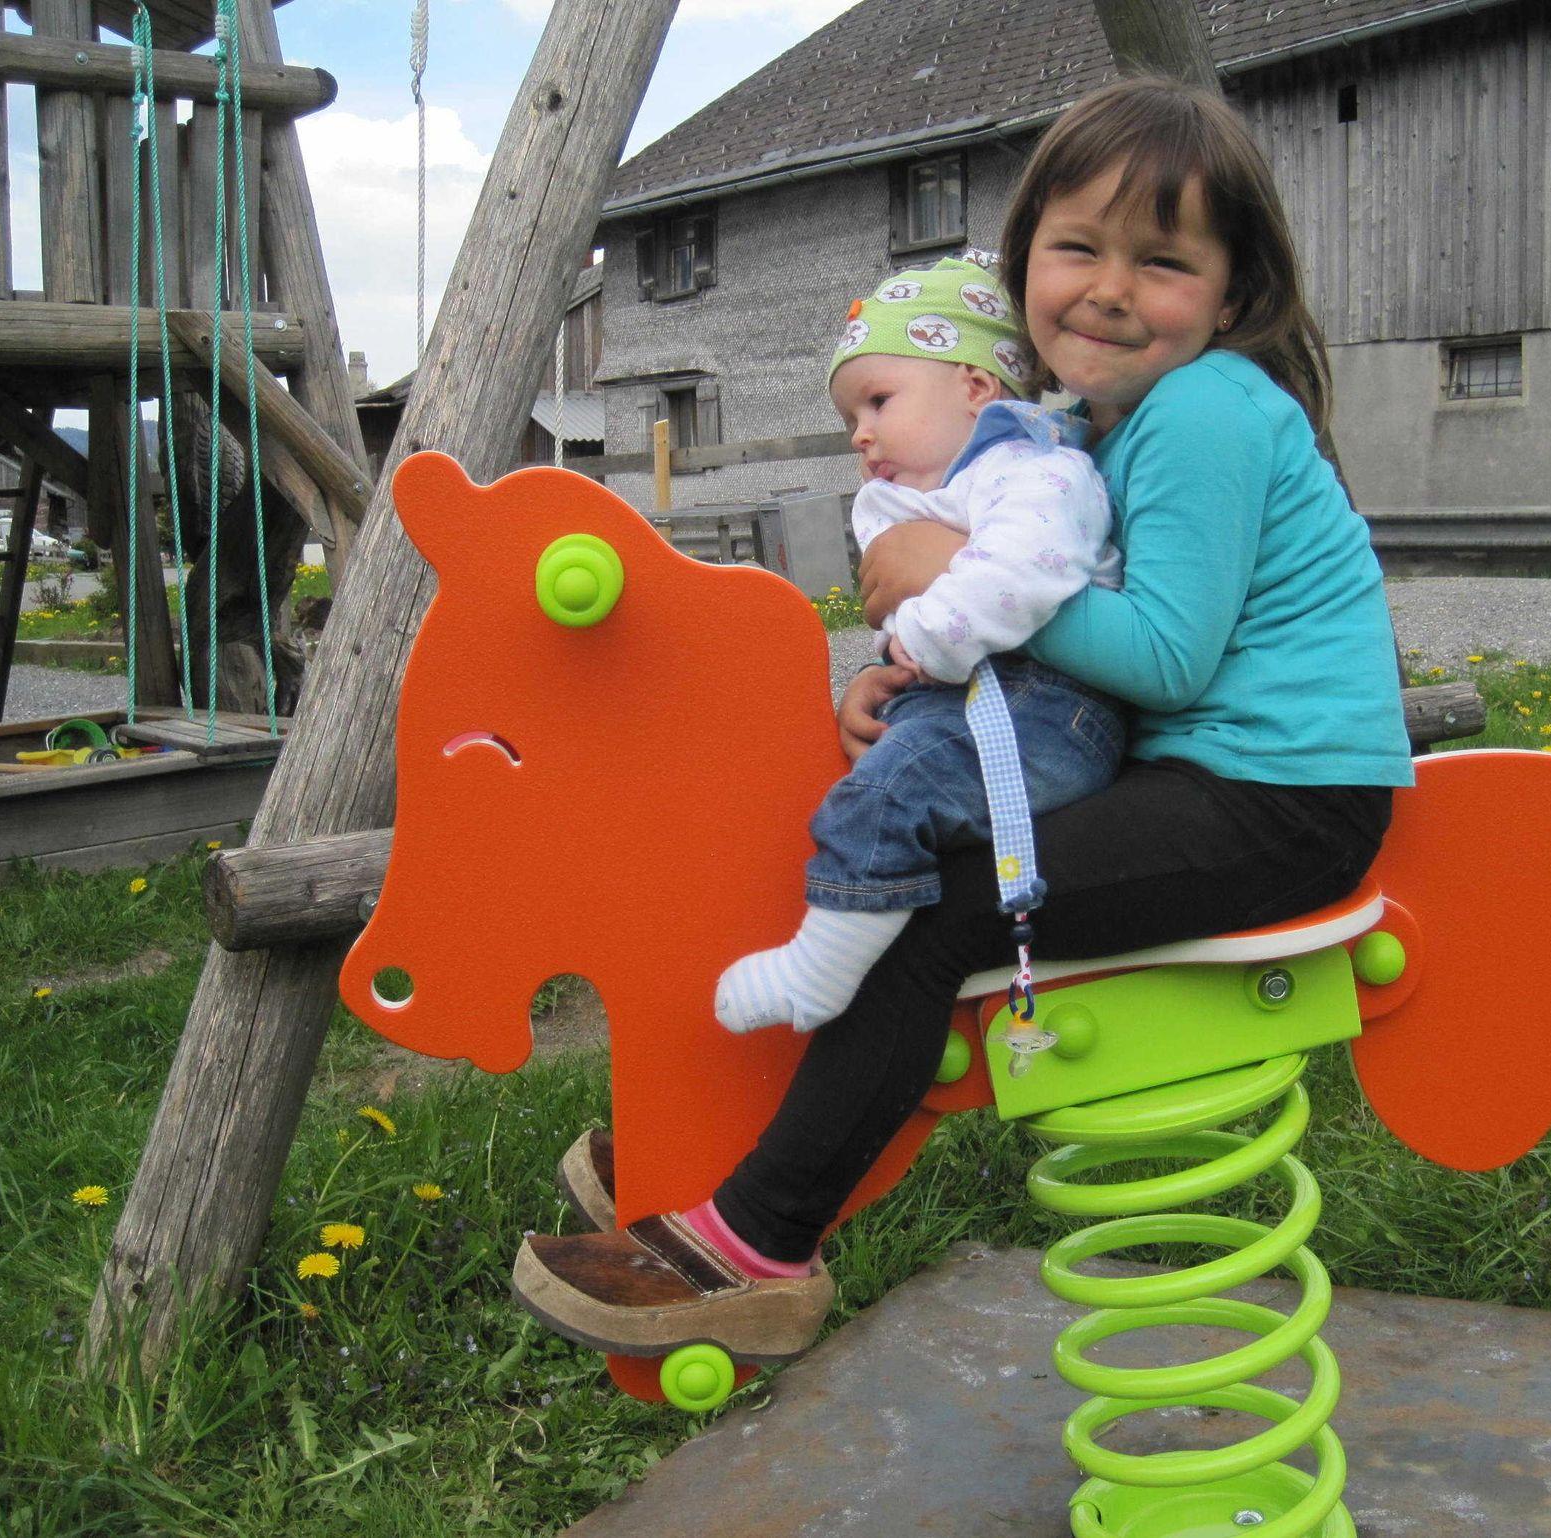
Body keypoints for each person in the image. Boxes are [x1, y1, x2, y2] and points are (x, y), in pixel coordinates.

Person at [512, 77, 1415, 1368]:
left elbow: (1163, 658)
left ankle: (756, 1245)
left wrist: (959, 577)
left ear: (1230, 296)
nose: (1110, 289)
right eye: (1078, 247)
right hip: (1203, 777)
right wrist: (913, 671)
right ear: (1025, 257)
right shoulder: (1084, 429)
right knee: (882, 849)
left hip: (1281, 800)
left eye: (1163, 262)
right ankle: (726, 1145)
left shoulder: (1204, 409)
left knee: (937, 905)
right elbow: (1071, 650)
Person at [715, 253, 1126, 1037]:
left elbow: (1021, 575)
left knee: (892, 792)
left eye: (878, 401)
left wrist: (923, 643)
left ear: (975, 387)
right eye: (851, 420)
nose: (862, 434)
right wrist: (888, 672)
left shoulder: (1035, 469)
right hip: (989, 701)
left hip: (1050, 713)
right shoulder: (932, 498)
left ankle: (820, 971)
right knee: (878, 782)